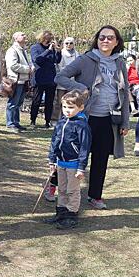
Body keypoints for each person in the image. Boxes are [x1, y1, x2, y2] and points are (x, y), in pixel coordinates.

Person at [55, 25, 130, 210]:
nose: (105, 41)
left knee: (101, 157)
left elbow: (125, 92)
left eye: (110, 38)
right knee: (71, 154)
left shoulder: (120, 62)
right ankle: (55, 186)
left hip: (108, 119)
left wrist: (125, 121)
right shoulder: (85, 59)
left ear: (117, 42)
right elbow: (60, 77)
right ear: (97, 39)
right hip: (84, 119)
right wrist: (80, 88)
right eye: (102, 37)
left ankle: (95, 195)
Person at [45, 90, 91, 229]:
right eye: (65, 107)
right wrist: (52, 160)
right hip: (60, 162)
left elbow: (84, 147)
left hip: (73, 164)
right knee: (62, 189)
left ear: (80, 107)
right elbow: (55, 141)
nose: (67, 110)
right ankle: (61, 212)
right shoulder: (61, 122)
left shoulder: (82, 125)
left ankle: (72, 215)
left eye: (71, 108)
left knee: (72, 190)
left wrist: (81, 167)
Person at [30, 30, 62, 128]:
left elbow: (57, 60)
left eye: (50, 39)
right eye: (48, 39)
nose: (49, 41)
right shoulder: (35, 47)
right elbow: (37, 60)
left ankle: (47, 121)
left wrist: (58, 51)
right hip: (39, 78)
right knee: (37, 100)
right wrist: (48, 50)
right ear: (42, 38)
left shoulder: (52, 48)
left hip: (51, 78)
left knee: (49, 101)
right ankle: (33, 120)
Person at [4, 32, 34, 133]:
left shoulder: (24, 50)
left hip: (24, 80)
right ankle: (10, 124)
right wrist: (28, 69)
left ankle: (16, 122)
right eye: (22, 35)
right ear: (16, 38)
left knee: (19, 103)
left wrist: (31, 67)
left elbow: (27, 62)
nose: (25, 36)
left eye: (24, 34)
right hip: (15, 80)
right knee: (13, 103)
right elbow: (13, 65)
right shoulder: (12, 50)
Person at [51, 37, 80, 122]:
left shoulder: (76, 54)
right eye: (67, 43)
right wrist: (69, 71)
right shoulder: (61, 53)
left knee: (71, 100)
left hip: (72, 81)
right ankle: (55, 119)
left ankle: (68, 118)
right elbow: (59, 66)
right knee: (59, 101)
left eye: (71, 43)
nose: (69, 45)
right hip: (62, 79)